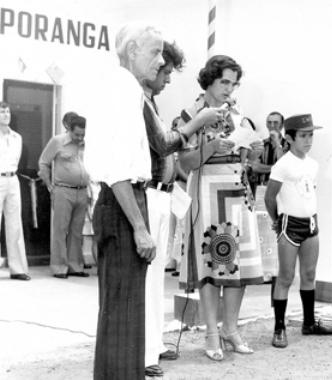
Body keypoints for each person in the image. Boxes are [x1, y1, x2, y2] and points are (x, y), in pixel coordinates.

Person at [84, 24, 217, 380]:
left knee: (125, 312)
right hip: (125, 201)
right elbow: (117, 170)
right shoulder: (124, 89)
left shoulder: (123, 88)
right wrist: (140, 228)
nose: (161, 62)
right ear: (131, 51)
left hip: (126, 200)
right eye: (155, 52)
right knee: (123, 311)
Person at [178, 55, 265, 361]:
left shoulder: (238, 114)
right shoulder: (192, 114)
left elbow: (249, 159)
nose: (230, 88)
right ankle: (212, 332)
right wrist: (211, 147)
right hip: (208, 193)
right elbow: (183, 163)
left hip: (239, 193)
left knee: (240, 266)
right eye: (224, 81)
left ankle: (230, 328)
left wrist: (253, 153)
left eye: (233, 82)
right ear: (209, 81)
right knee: (214, 264)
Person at [264, 113, 332, 349]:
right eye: (303, 136)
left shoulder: (313, 164)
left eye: (311, 135)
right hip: (289, 224)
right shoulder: (282, 164)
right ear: (290, 138)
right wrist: (277, 220)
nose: (308, 140)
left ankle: (308, 322)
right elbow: (269, 196)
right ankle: (279, 328)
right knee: (285, 277)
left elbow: (308, 193)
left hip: (311, 224)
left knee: (309, 274)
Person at [141, 40, 186, 377]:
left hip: (164, 194)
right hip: (150, 195)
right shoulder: (141, 103)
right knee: (148, 279)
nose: (169, 78)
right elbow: (162, 143)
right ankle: (144, 352)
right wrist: (193, 124)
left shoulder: (152, 102)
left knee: (157, 280)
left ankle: (153, 344)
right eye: (166, 71)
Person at [38, 114, 90, 279]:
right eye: (77, 134)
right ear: (69, 130)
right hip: (63, 190)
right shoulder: (57, 141)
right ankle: (59, 267)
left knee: (77, 231)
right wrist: (49, 185)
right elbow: (43, 162)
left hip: (82, 191)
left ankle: (75, 266)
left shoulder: (86, 143)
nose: (80, 137)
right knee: (60, 229)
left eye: (83, 134)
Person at [0, 101, 30, 283]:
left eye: (8, 111)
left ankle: (18, 269)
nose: (6, 115)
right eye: (2, 112)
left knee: (15, 224)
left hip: (12, 180)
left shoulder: (17, 138)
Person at [247, 111, 287, 196]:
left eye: (276, 123)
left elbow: (286, 168)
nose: (272, 126)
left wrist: (277, 143)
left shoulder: (289, 145)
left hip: (283, 191)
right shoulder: (261, 144)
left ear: (282, 125)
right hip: (262, 190)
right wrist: (276, 168)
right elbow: (255, 167)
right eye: (269, 123)